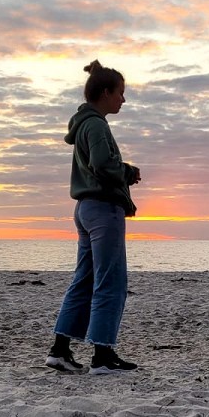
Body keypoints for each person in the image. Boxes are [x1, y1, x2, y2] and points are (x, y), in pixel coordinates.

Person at [45, 60, 142, 374]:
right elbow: (103, 164)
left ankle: (59, 351)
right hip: (102, 209)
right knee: (110, 282)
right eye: (120, 93)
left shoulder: (83, 124)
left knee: (84, 281)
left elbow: (95, 164)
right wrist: (127, 172)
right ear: (105, 93)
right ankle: (102, 355)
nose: (123, 100)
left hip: (85, 209)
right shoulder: (97, 124)